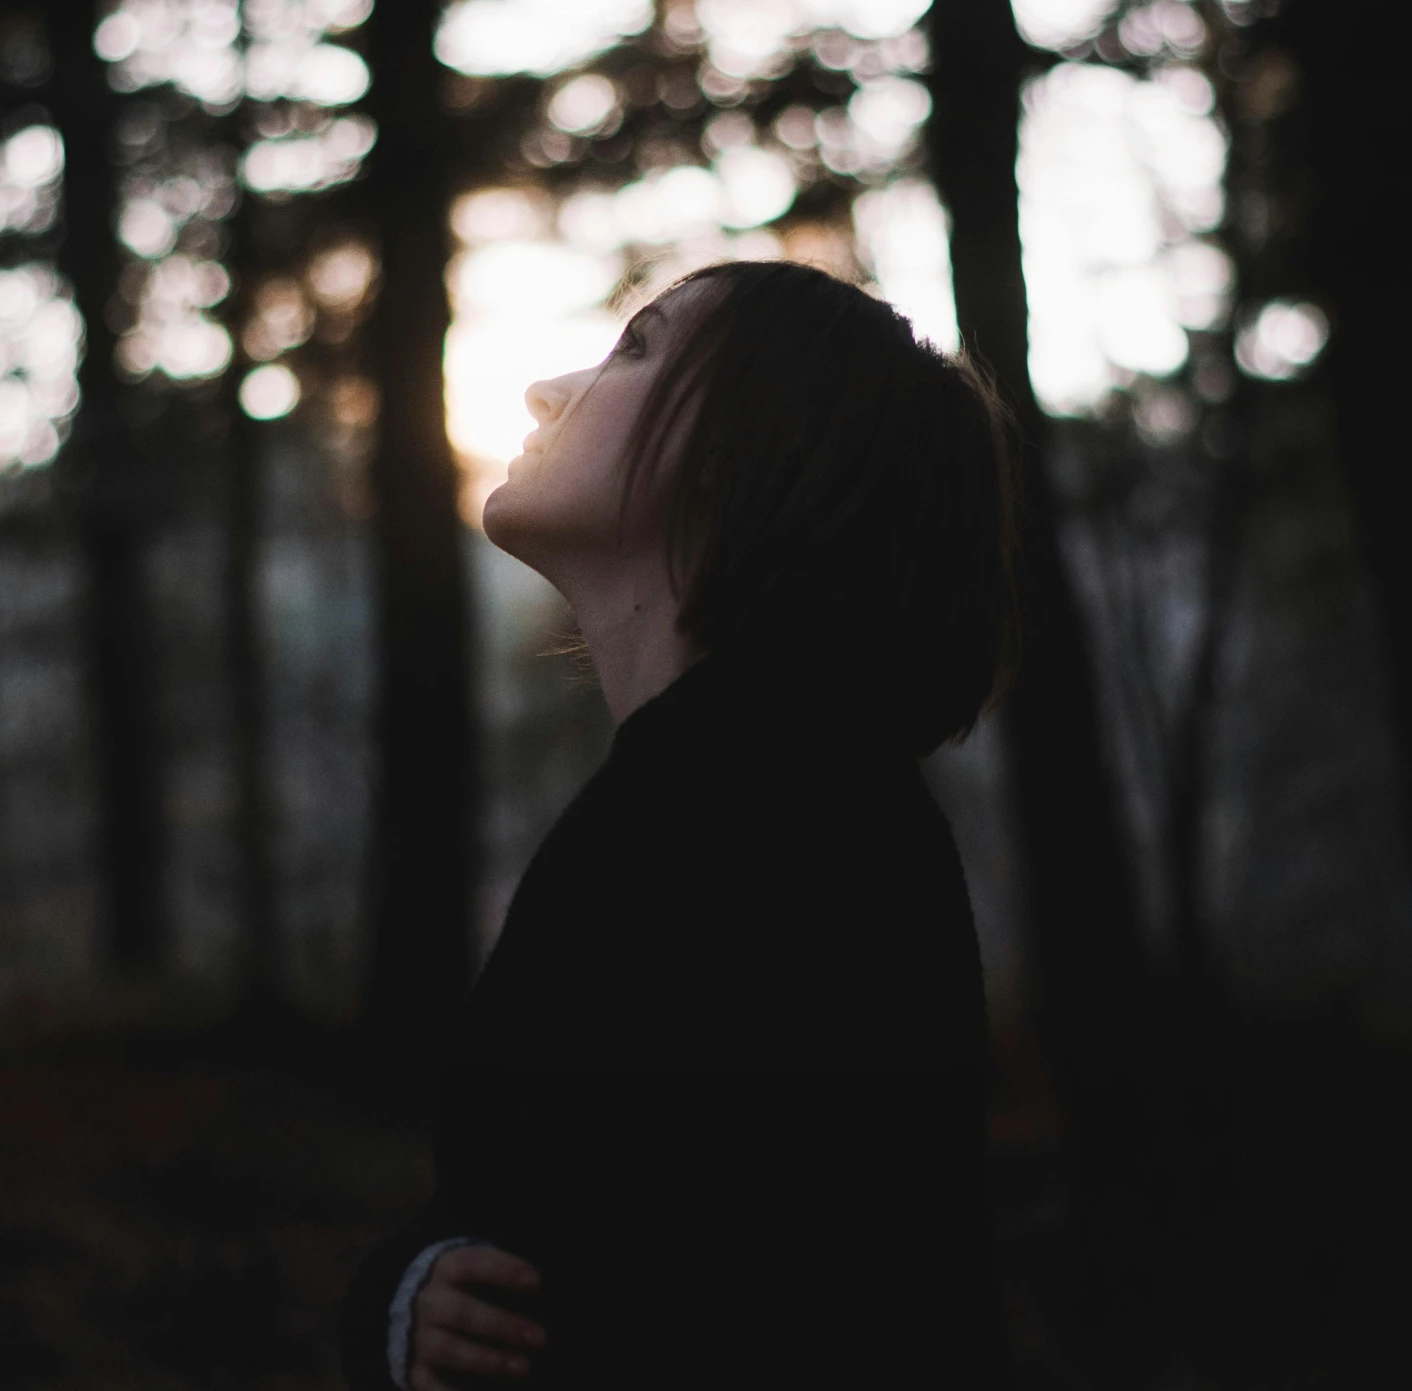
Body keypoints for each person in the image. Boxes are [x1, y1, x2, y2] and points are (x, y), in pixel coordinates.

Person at [339, 261, 1017, 1389]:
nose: (546, 390)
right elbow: (544, 1213)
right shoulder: (716, 793)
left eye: (638, 349)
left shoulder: (790, 823)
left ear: (750, 445)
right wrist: (413, 1296)